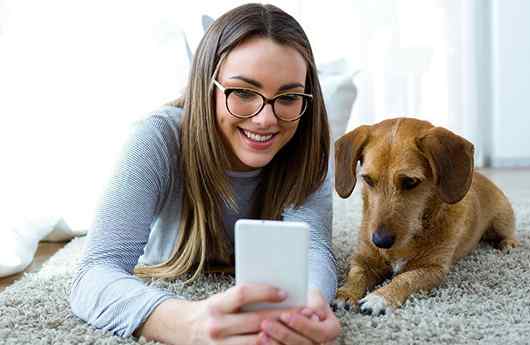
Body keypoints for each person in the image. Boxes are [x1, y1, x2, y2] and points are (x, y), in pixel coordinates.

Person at [69, 3, 342, 345]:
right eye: (243, 92)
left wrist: (310, 304)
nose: (265, 119)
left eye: (287, 97)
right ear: (207, 86)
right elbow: (94, 272)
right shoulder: (156, 137)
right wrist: (187, 323)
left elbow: (314, 247)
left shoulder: (307, 143)